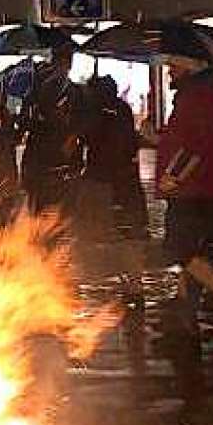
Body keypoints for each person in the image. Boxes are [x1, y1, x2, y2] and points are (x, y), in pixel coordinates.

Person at [156, 57, 213, 334]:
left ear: (189, 67)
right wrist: (158, 138)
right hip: (200, 187)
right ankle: (183, 309)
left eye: (173, 66)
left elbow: (195, 144)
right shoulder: (202, 95)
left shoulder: (195, 98)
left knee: (180, 247)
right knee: (195, 248)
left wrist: (174, 176)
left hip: (191, 189)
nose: (169, 70)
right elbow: (184, 138)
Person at [82, 75, 148, 305]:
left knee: (115, 231)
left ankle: (130, 280)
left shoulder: (96, 112)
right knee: (130, 230)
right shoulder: (123, 109)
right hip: (128, 180)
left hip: (106, 181)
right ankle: (133, 280)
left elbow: (89, 139)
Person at [20, 43, 87, 216]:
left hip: (53, 159)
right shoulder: (43, 89)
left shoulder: (73, 92)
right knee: (49, 207)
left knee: (49, 208)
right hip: (46, 158)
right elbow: (27, 120)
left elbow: (80, 124)